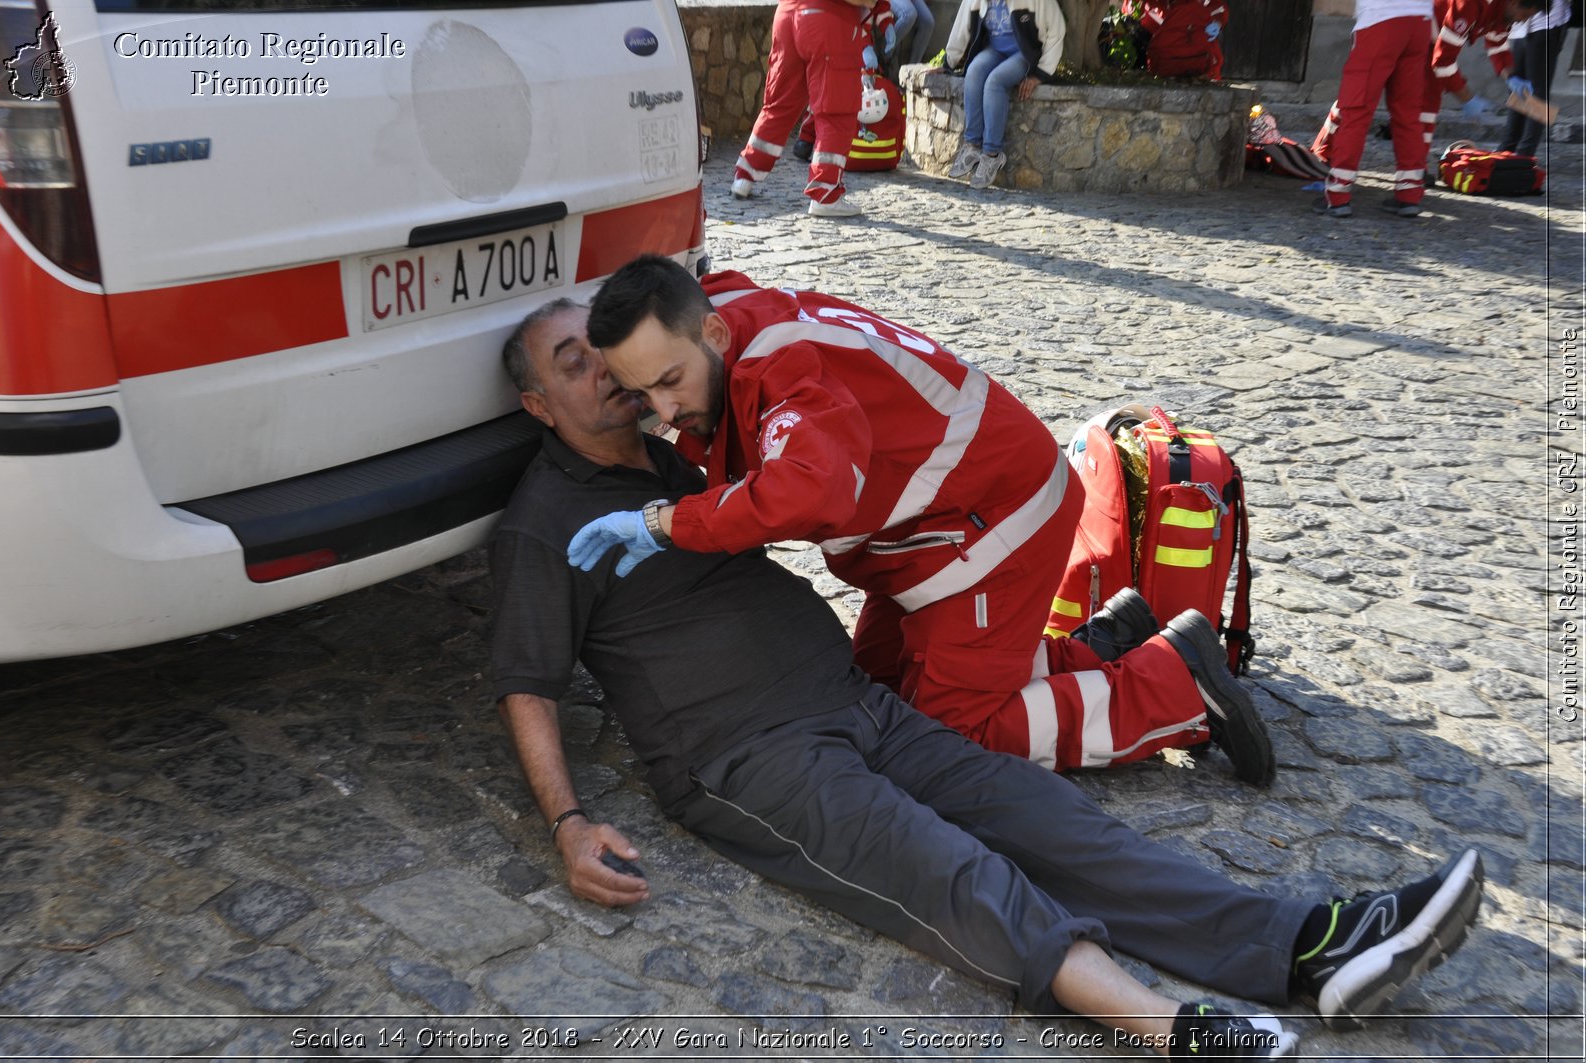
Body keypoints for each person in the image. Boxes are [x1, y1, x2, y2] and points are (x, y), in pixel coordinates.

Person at [489, 296, 1488, 1060]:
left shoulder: (671, 459)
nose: (615, 380)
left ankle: (1309, 946)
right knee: (950, 870)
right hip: (748, 754)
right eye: (574, 363)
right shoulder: (546, 519)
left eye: (612, 354)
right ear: (538, 403)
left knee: (1050, 817)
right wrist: (568, 822)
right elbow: (527, 679)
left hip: (850, 701)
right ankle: (1170, 1025)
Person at [572, 255, 1275, 788]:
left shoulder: (780, 369)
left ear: (715, 332)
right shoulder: (717, 318)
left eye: (668, 383)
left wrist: (668, 523)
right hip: (938, 535)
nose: (663, 412)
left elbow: (807, 490)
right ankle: (1108, 643)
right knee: (877, 691)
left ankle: (1177, 690)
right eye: (641, 395)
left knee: (946, 735)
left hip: (989, 529)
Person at [730, 0, 894, 218]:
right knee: (836, 109)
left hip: (788, 15)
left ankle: (745, 175)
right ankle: (825, 192)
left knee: (779, 104)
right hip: (828, 20)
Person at [1310, 0, 1437, 219]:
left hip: (1380, 20)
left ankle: (1338, 194)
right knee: (1408, 112)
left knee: (1356, 109)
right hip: (1420, 22)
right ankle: (1410, 194)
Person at [941, 0, 1066, 188]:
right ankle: (972, 145)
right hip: (994, 50)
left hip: (1024, 54)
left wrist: (1040, 74)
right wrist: (947, 63)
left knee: (995, 82)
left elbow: (1057, 30)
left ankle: (992, 154)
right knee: (974, 72)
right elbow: (961, 27)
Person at [1422, 0, 1546, 152]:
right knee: (1422, 104)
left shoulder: (1503, 10)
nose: (1523, 21)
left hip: (1434, 40)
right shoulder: (1470, 4)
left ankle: (1418, 163)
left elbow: (1497, 44)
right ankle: (1414, 164)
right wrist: (1467, 98)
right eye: (1525, 15)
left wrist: (1511, 77)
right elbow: (1443, 60)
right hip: (1419, 31)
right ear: (1514, 4)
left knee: (1429, 106)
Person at [1497, 0, 1573, 156]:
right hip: (1519, 27)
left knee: (1538, 94)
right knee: (1519, 91)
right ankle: (1507, 149)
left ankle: (1525, 154)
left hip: (1547, 24)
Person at [1134, 0, 1230, 80]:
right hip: (1167, 64)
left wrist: (1217, 22)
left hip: (1200, 62)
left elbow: (1219, 7)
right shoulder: (1150, 5)